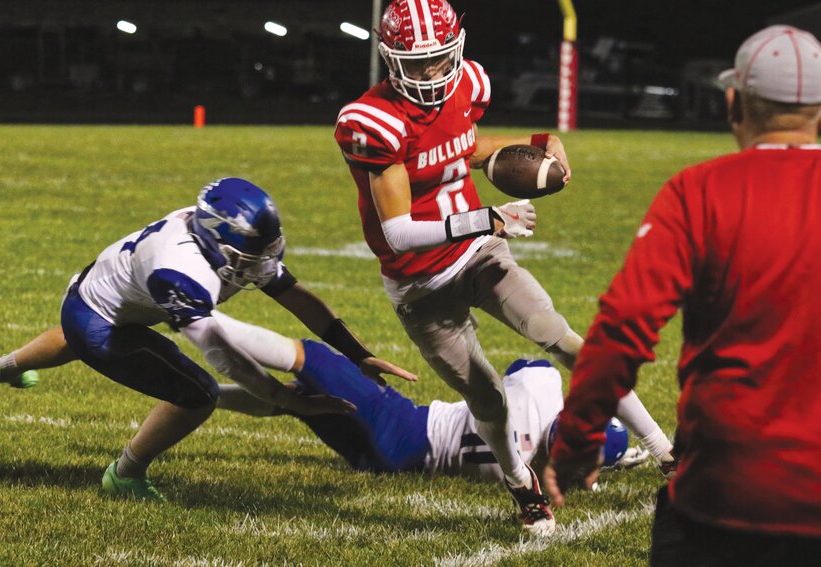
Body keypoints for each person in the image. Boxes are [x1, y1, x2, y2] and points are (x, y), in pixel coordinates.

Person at [333, 0, 648, 535]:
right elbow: (399, 234)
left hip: (477, 255)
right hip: (421, 282)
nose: (432, 74)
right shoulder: (374, 122)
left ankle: (664, 448)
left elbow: (470, 146)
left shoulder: (468, 85)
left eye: (439, 60)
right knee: (486, 399)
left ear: (456, 50)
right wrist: (485, 218)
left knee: (560, 335)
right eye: (417, 63)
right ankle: (518, 483)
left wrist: (538, 145)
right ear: (390, 60)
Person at [543, 25, 821, 566]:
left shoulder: (698, 193)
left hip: (721, 492)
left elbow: (624, 325)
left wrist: (578, 440)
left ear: (733, 102)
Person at [0, 177, 415, 502]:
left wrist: (358, 354)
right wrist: (286, 399)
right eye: (252, 256)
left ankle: (4, 367)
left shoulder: (215, 235)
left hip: (95, 292)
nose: (262, 264)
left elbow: (294, 296)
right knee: (198, 394)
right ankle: (125, 474)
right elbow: (223, 357)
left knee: (76, 335)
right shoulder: (181, 271)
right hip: (97, 319)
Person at [209, 314, 667, 487]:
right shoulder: (549, 477)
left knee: (311, 357)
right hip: (384, 460)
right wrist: (617, 453)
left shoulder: (541, 389)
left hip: (404, 426)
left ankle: (203, 317)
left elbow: (527, 369)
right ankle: (209, 397)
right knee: (301, 400)